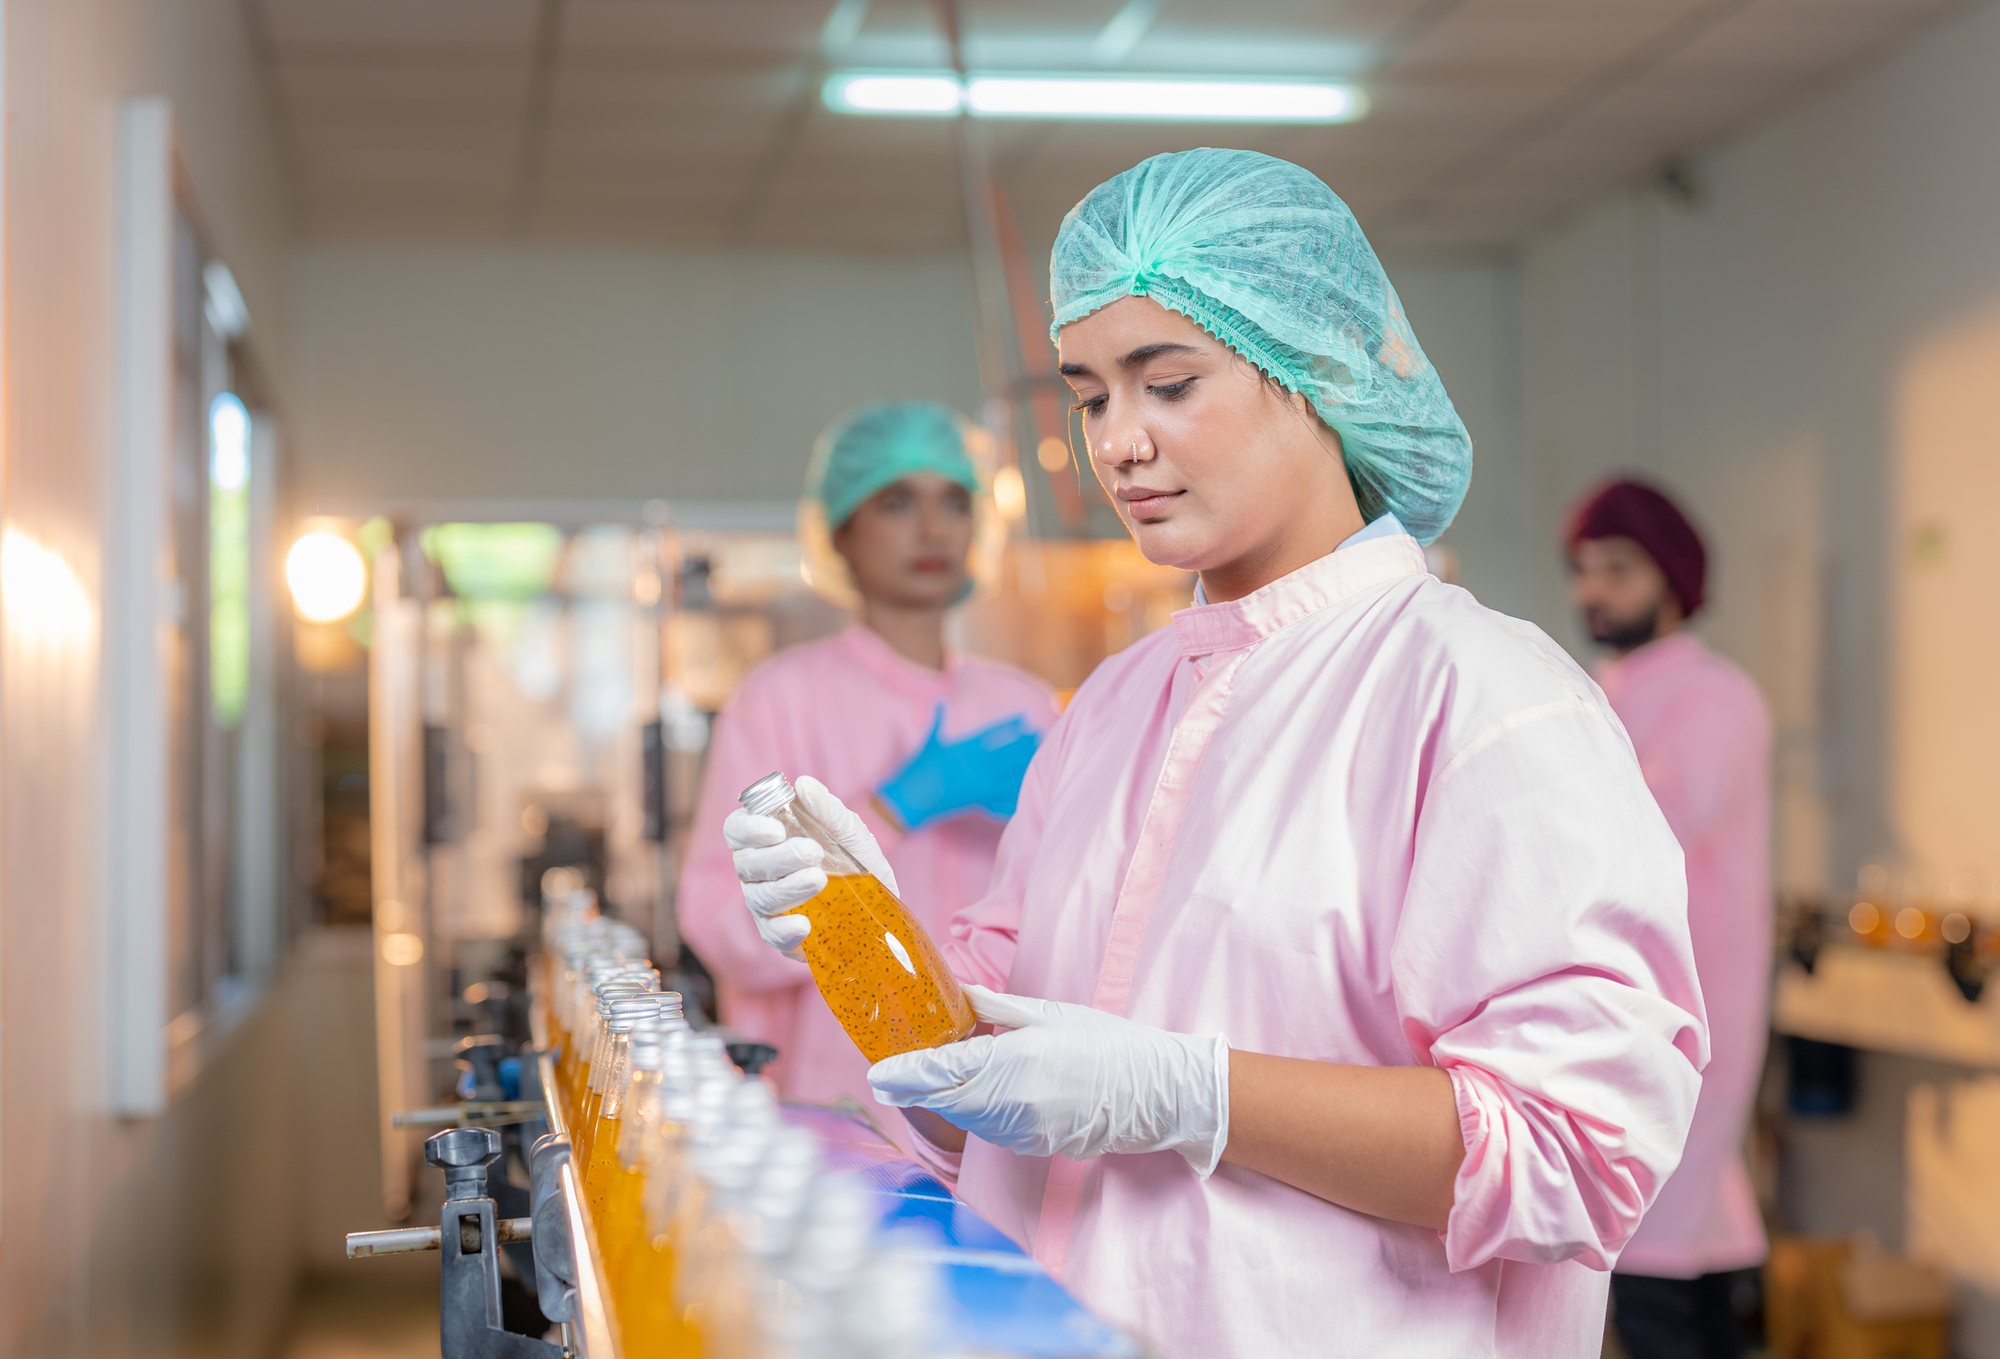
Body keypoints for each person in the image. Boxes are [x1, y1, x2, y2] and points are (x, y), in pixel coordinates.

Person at [725, 149, 1706, 1358]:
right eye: (1089, 397)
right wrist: (858, 931)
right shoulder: (1112, 706)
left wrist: (1191, 1095)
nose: (1117, 443)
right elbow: (995, 1075)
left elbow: (1576, 1149)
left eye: (1168, 382)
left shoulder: (1483, 698)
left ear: (1316, 367)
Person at [678, 401, 1055, 1141]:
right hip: (836, 1115)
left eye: (954, 501)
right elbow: (722, 925)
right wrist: (889, 809)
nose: (933, 528)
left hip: (1010, 1108)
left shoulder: (1024, 705)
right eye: (896, 502)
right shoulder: (778, 700)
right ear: (841, 530)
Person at [1569, 480, 1773, 1359]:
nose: (1593, 591)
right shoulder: (1592, 687)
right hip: (1617, 1009)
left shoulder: (1716, 696)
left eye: (1618, 568)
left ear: (1673, 577)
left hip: (1693, 1018)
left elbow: (1639, 821)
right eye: (1582, 570)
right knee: (1686, 1263)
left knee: (1645, 1263)